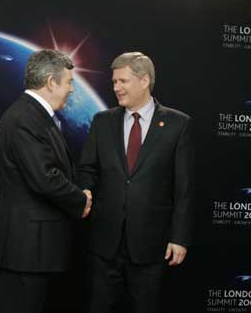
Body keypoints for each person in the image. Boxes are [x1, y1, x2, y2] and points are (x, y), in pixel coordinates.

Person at [77, 52, 195, 313]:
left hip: (151, 246)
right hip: (105, 243)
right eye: (114, 81)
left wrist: (180, 238)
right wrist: (85, 189)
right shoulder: (102, 121)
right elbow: (87, 168)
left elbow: (183, 187)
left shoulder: (179, 124)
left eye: (122, 81)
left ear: (144, 81)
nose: (116, 87)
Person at [0, 49, 92, 313]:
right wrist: (81, 199)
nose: (71, 90)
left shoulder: (37, 116)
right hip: (24, 252)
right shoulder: (26, 119)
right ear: (50, 82)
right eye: (69, 82)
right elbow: (44, 178)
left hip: (32, 252)